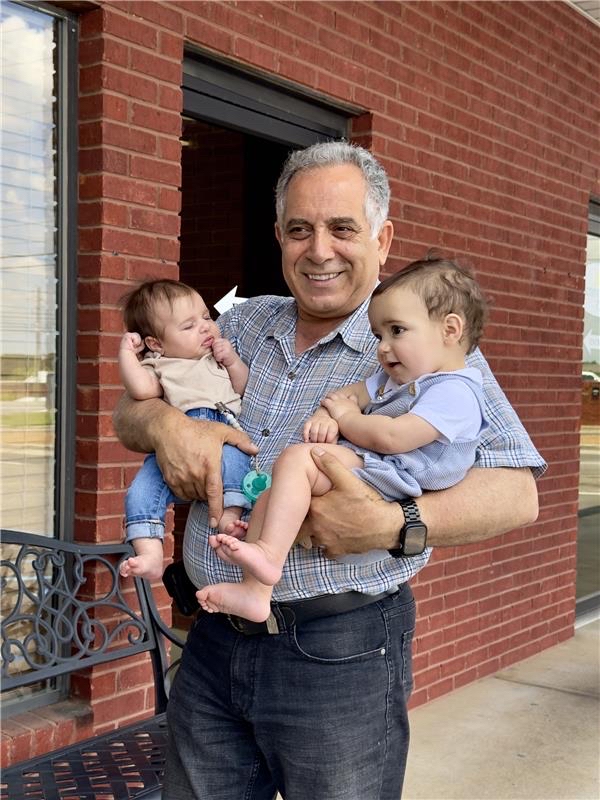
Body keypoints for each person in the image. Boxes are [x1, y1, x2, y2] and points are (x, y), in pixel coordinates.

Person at [113, 140, 546, 800]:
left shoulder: (427, 348)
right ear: (279, 237)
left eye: (342, 228)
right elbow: (128, 413)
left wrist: (392, 523)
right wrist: (168, 426)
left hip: (339, 654)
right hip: (208, 642)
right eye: (299, 229)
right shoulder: (242, 321)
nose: (319, 250)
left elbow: (517, 492)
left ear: (382, 236)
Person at [198, 257, 489, 623]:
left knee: (297, 460)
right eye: (378, 335)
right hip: (382, 468)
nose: (383, 348)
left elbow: (392, 437)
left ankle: (268, 556)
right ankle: (256, 590)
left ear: (450, 330)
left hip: (400, 476)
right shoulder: (399, 377)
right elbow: (348, 395)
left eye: (397, 331)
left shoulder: (456, 391)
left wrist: (346, 419)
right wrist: (327, 414)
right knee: (279, 488)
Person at [117, 279, 254, 581]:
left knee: (237, 465)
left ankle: (230, 519)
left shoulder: (216, 359)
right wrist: (128, 355)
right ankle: (150, 552)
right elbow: (140, 390)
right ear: (156, 343)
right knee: (140, 491)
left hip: (225, 428)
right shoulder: (159, 365)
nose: (206, 327)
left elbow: (244, 388)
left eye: (206, 317)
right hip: (175, 444)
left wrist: (231, 361)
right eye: (188, 326)